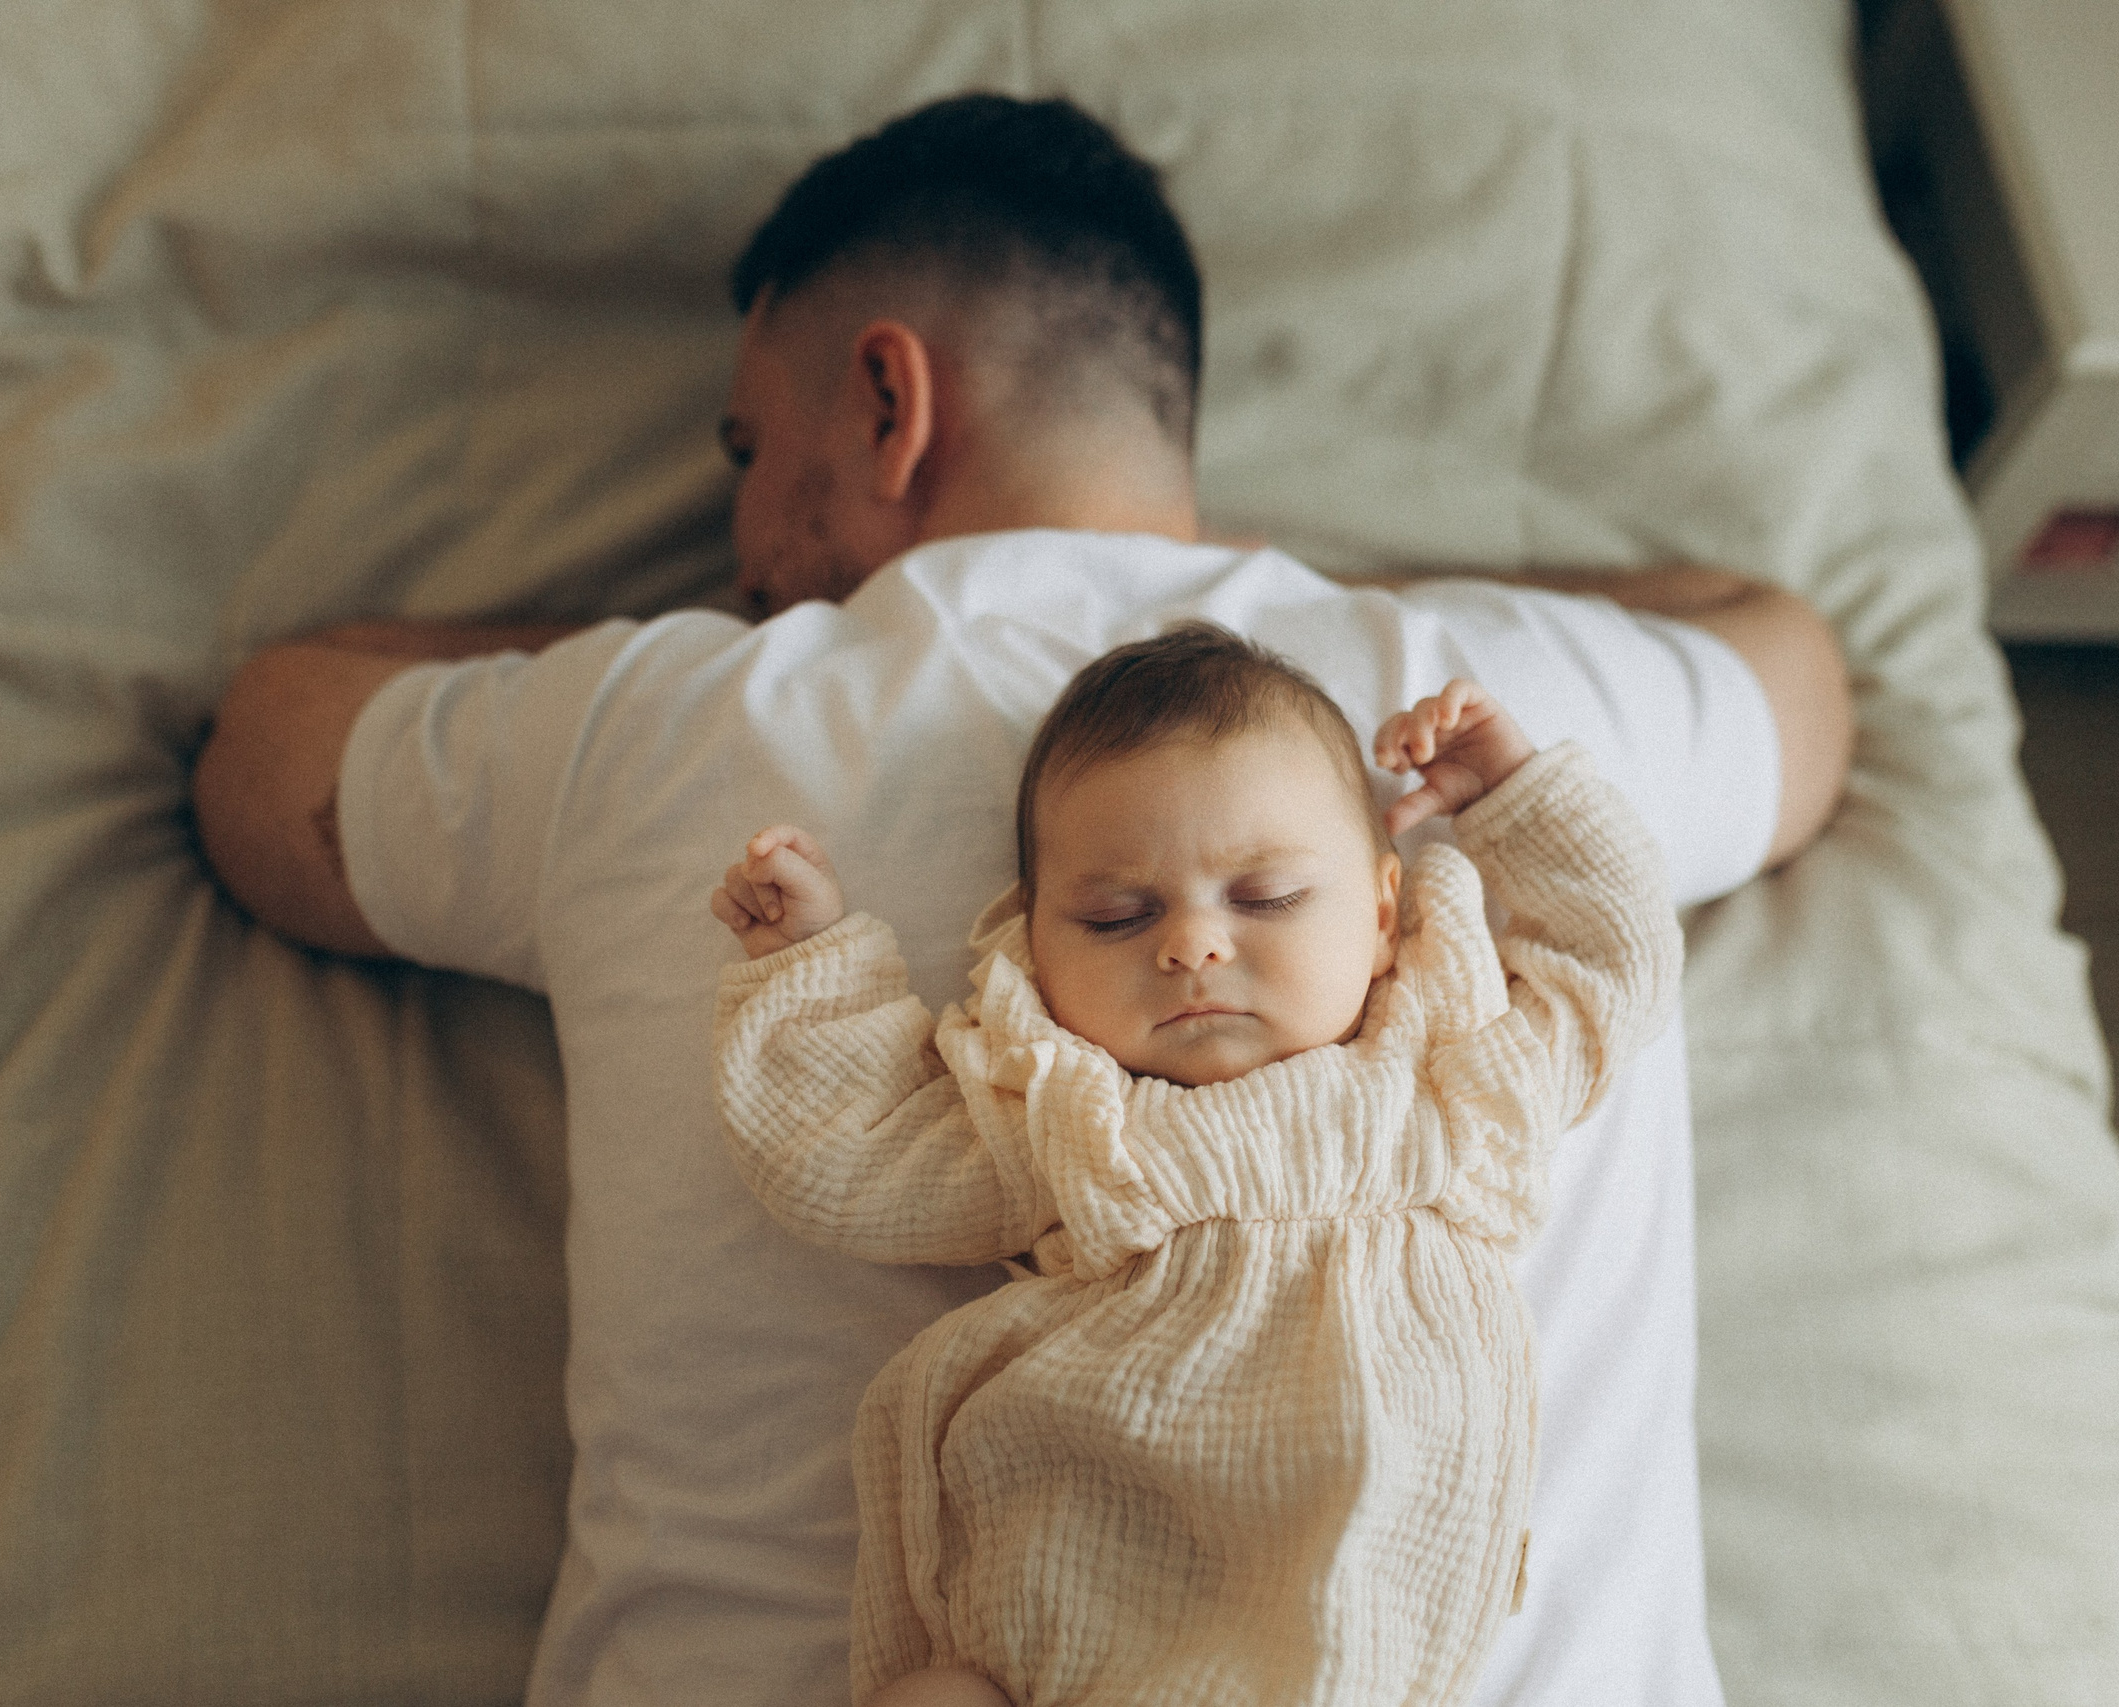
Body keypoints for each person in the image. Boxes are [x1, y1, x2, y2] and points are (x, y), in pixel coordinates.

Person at [191, 92, 1849, 1707]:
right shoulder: (1517, 699)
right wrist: (1371, 590)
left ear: (886, 396)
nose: (749, 550)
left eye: (751, 454)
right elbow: (1796, 675)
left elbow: (267, 765)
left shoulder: (660, 721)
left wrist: (636, 650)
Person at [709, 630, 1681, 1706]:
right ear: (1035, 948)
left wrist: (1510, 791)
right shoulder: (1073, 1117)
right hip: (1083, 1561)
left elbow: (1614, 966)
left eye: (1264, 896)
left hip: (1348, 1613)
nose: (1192, 947)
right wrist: (809, 964)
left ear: (1379, 912)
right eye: (1117, 917)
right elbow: (850, 1157)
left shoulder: (1455, 1078)